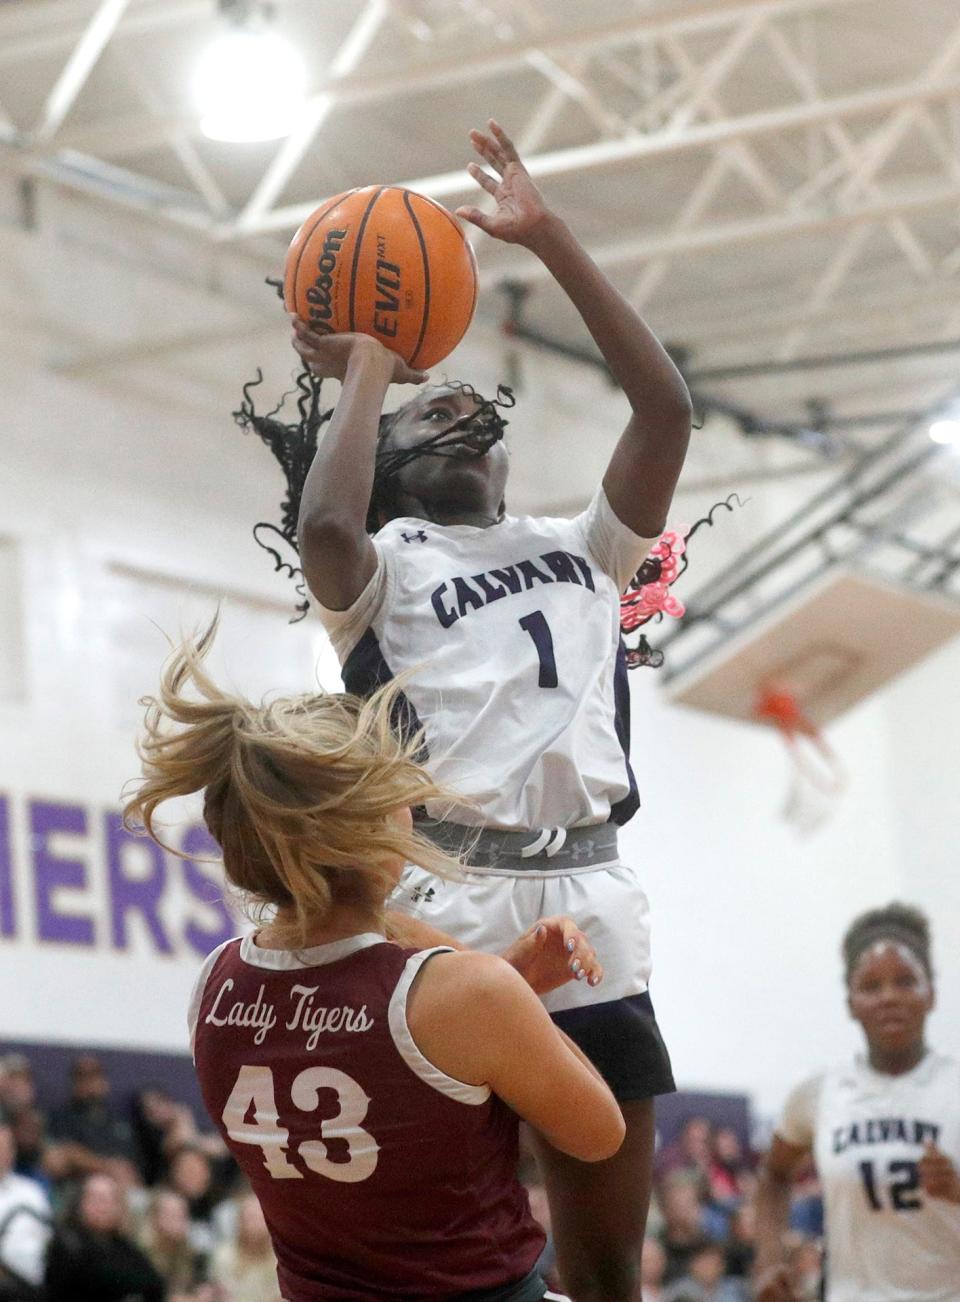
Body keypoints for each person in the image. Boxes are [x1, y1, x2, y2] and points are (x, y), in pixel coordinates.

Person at [255, 116, 691, 1302]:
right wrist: (368, 372)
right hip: (446, 907)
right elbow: (327, 526)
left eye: (464, 409)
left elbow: (665, 413)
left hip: (595, 897)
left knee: (608, 1272)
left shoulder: (584, 547)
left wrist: (549, 240)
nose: (450, 413)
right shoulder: (380, 565)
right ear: (383, 459)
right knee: (459, 1259)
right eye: (418, 415)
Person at [122, 618, 624, 1302]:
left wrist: (494, 986)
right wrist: (513, 993)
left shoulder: (213, 985)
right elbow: (598, 1134)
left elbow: (384, 1042)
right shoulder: (464, 990)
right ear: (375, 830)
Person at [754, 902, 960, 1301]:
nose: (888, 997)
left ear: (931, 994)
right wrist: (767, 1260)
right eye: (871, 986)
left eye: (905, 981)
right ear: (851, 1003)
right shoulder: (818, 1091)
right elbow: (774, 1176)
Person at [44, 1170, 165, 1302]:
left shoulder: (123, 1246)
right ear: (80, 1204)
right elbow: (96, 1279)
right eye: (96, 1198)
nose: (103, 1206)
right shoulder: (66, 1242)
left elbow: (155, 1283)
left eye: (109, 1199)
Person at [0, 1120, 50, 1298]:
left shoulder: (32, 1191)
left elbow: (49, 1237)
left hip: (38, 1284)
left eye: (7, 1148)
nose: (3, 1153)